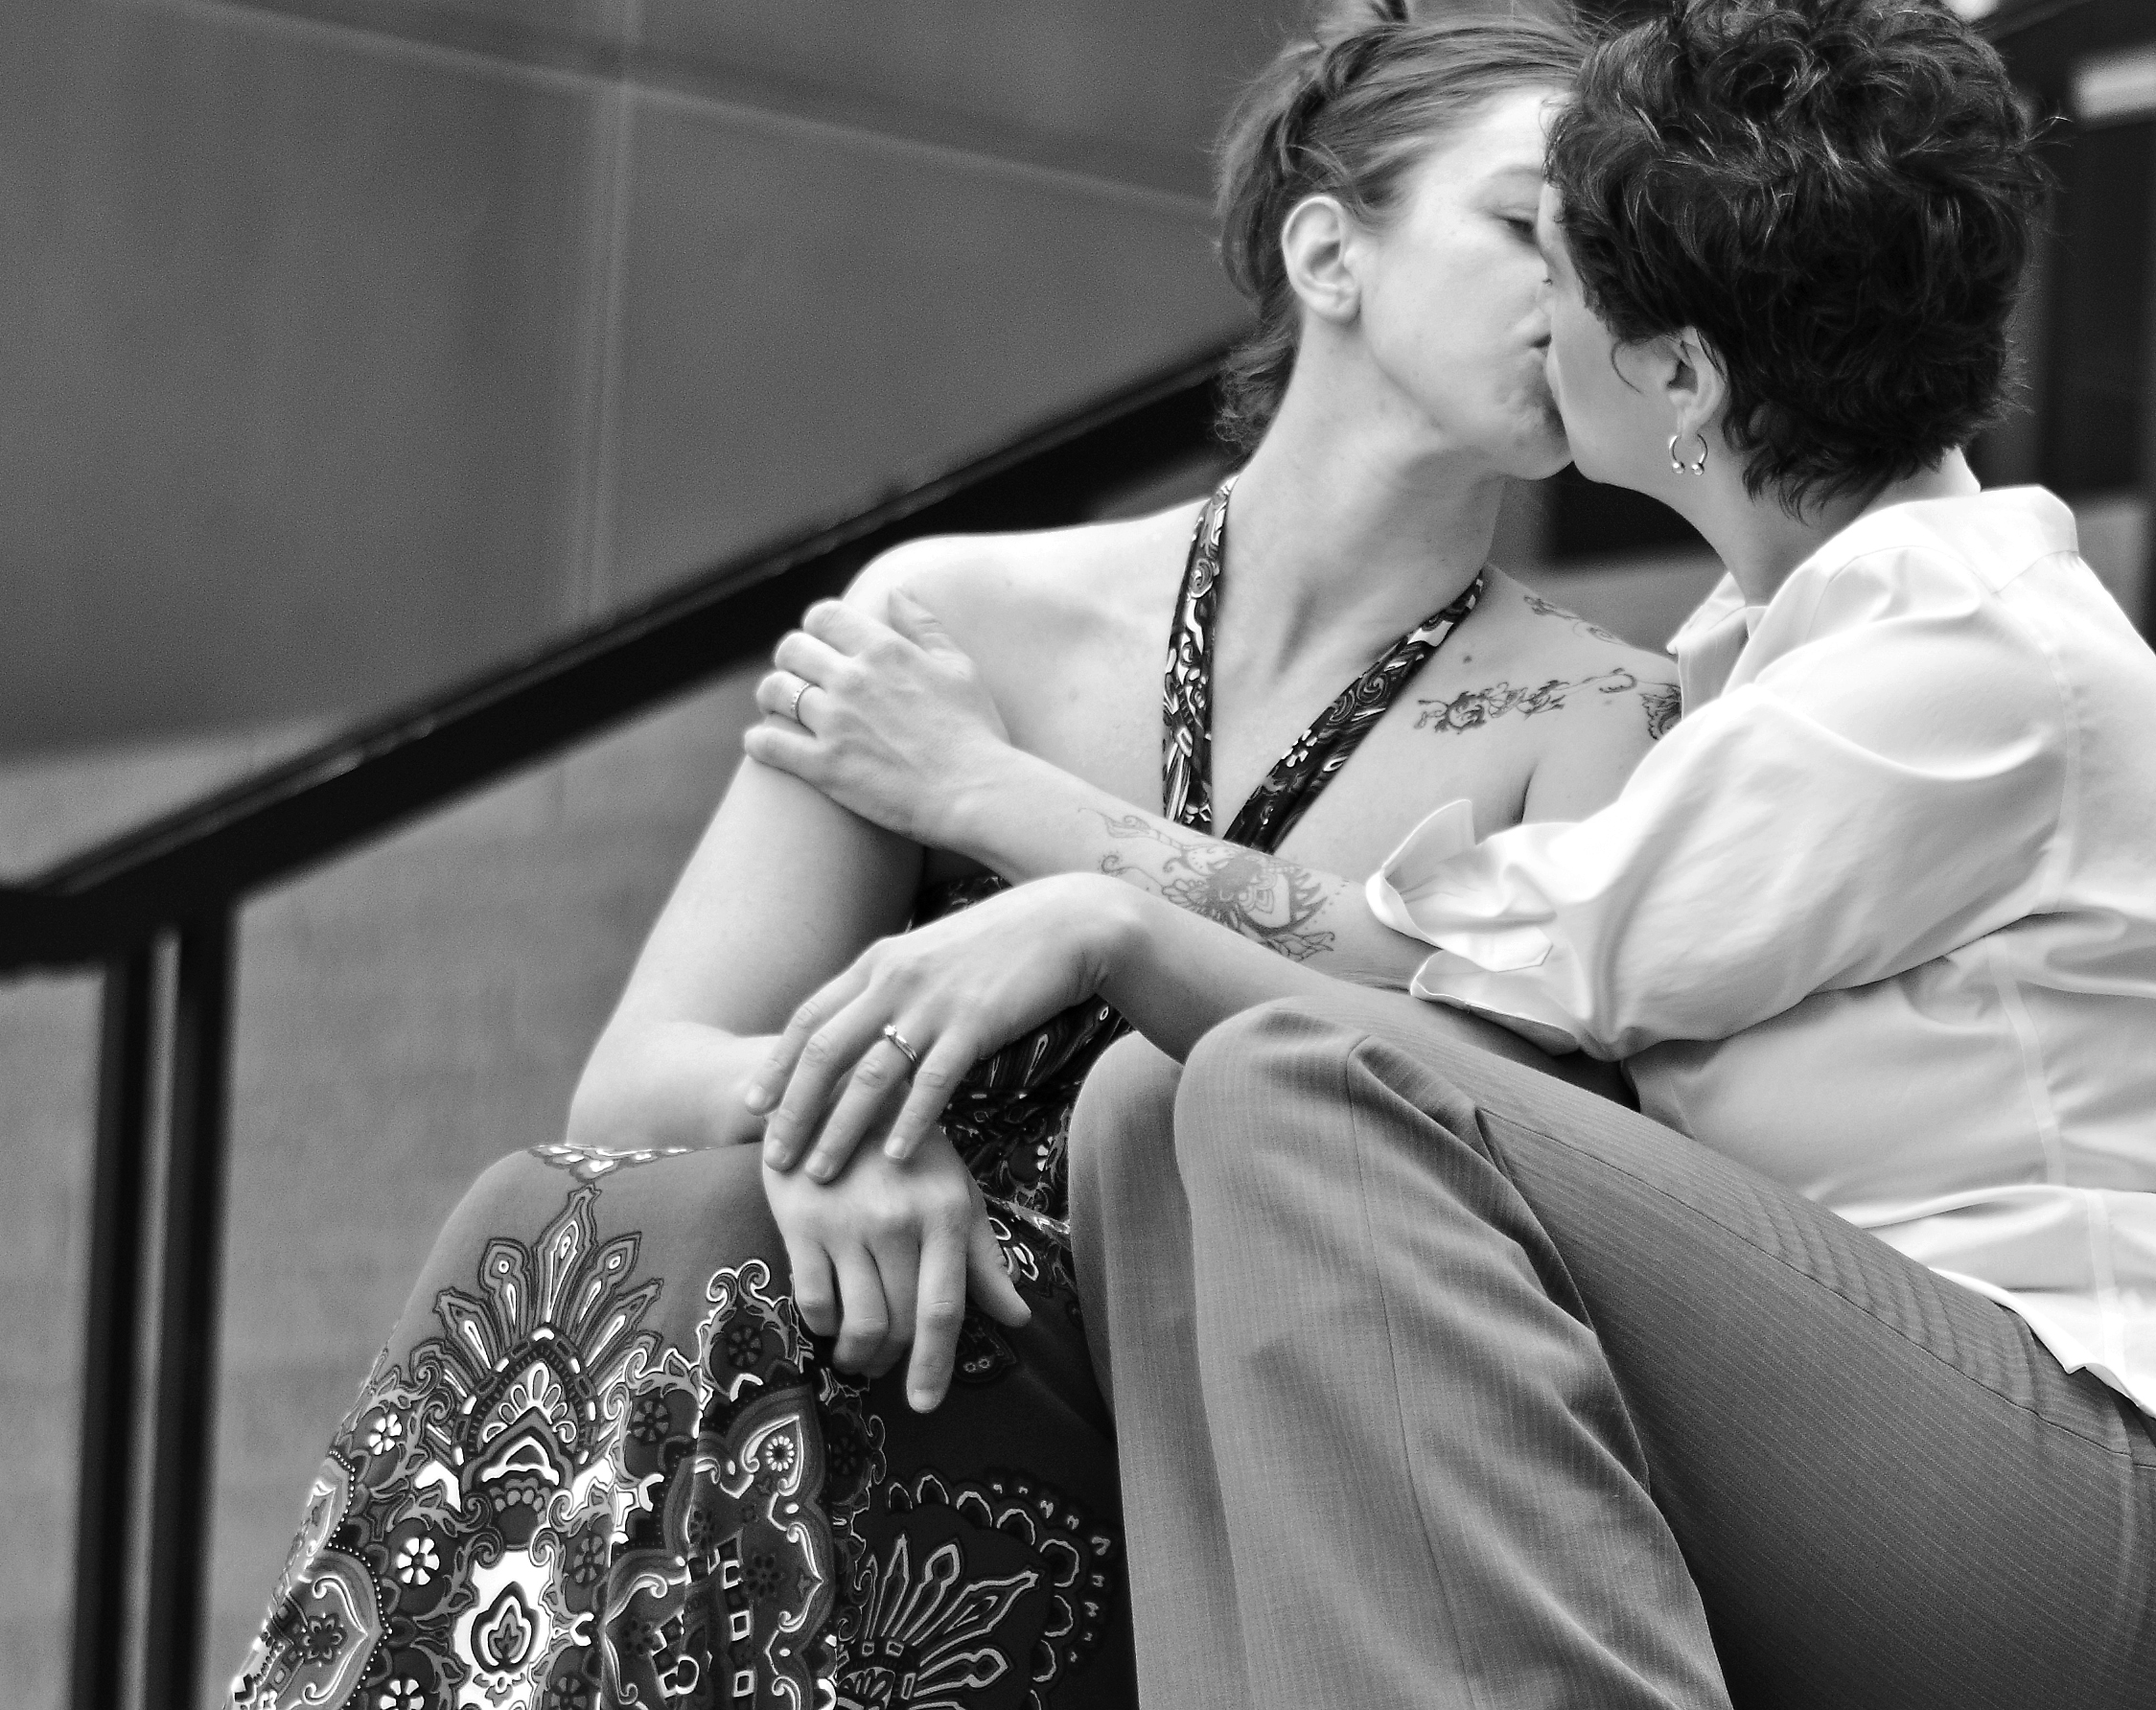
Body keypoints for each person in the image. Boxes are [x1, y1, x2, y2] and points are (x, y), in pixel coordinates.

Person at [224, 11, 1668, 1708]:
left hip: (1235, 1411)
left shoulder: (1602, 710)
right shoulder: (949, 614)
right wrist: (843, 1129)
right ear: (1328, 254)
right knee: (582, 1205)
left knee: (733, 1280)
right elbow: (643, 1071)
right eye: (1526, 227)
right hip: (848, 1333)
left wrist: (991, 796)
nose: (1582, 292)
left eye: (1618, 254)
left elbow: (1509, 1104)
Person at [741, 1, 2156, 1705]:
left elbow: (1456, 984)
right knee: (1151, 1101)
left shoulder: (1959, 656)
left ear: (1683, 381)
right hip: (1877, 1421)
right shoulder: (1791, 654)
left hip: (2071, 1471)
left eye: (1565, 265)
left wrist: (1087, 900)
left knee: (1294, 1081)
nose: (1540, 309)